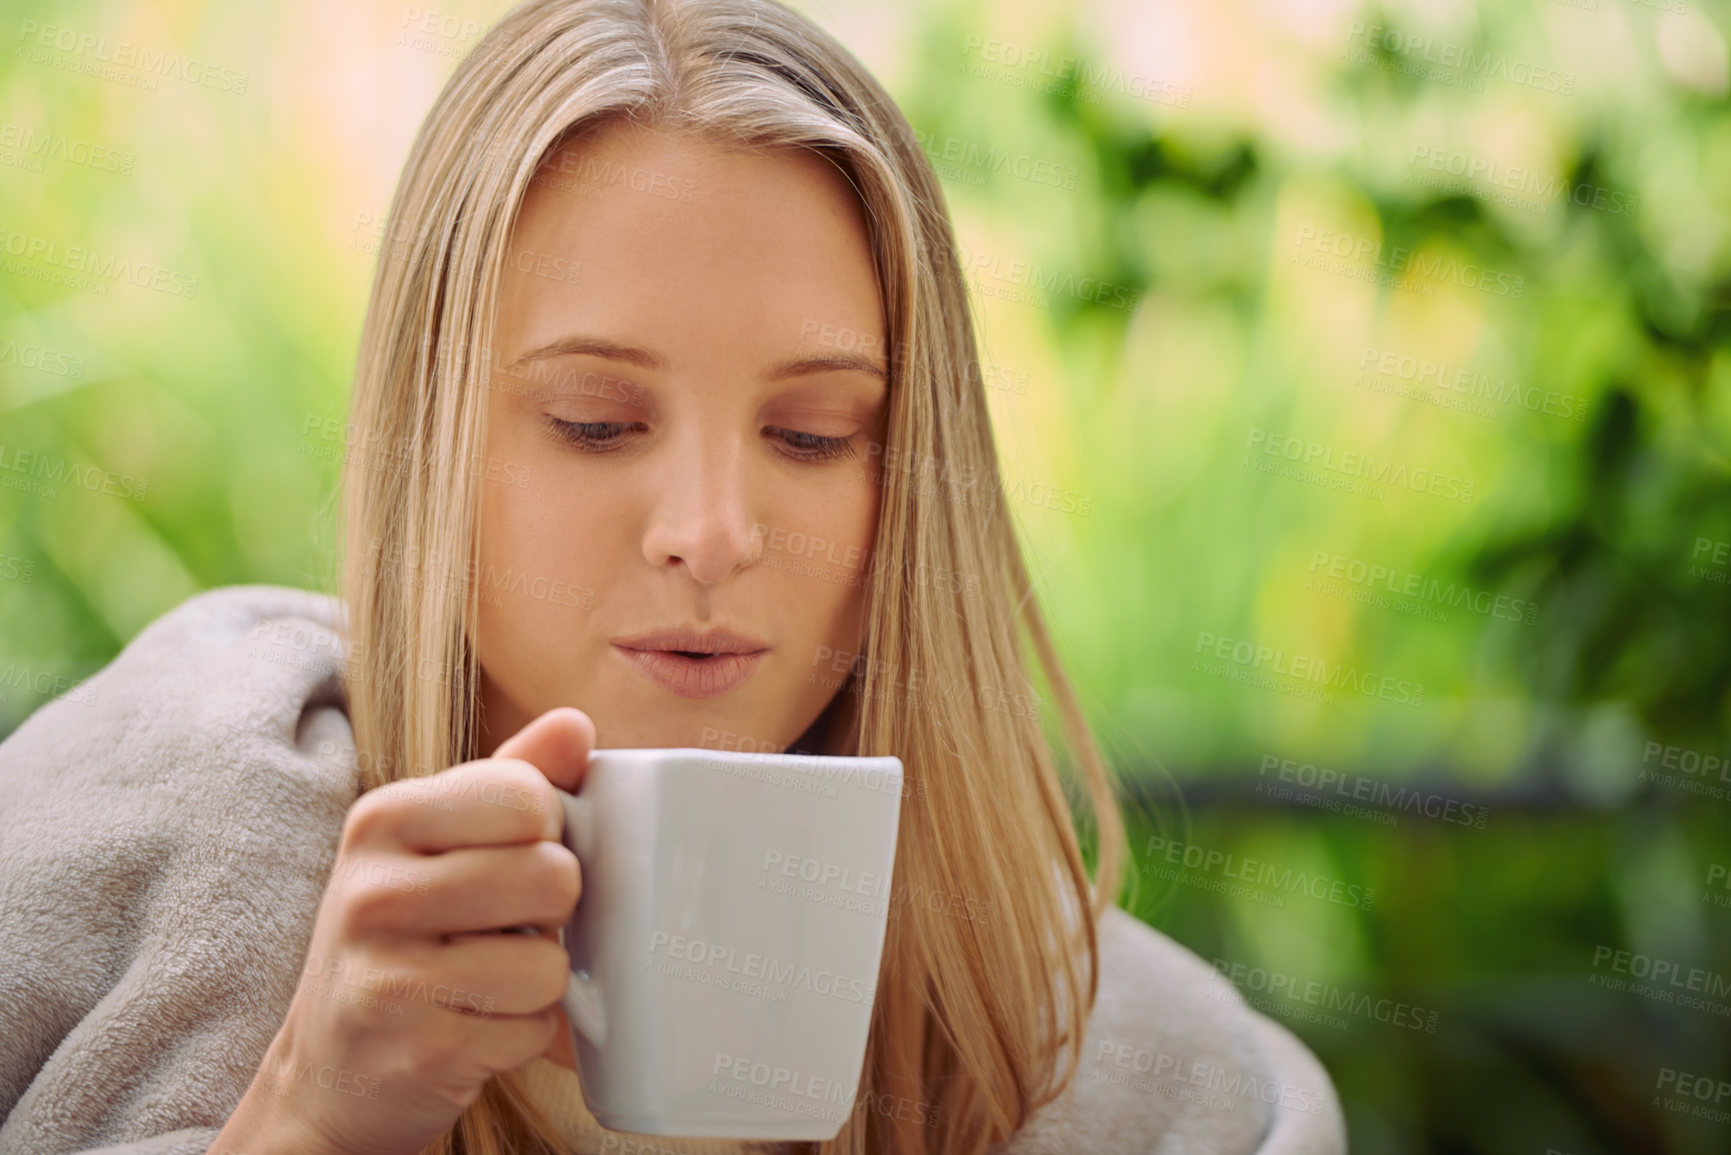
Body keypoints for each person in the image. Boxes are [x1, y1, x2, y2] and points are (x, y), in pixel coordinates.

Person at [0, 1, 1344, 1153]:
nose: (710, 532)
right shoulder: (182, 810)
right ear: (433, 452)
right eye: (595, 420)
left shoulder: (1120, 1059)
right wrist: (302, 1115)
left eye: (813, 435)